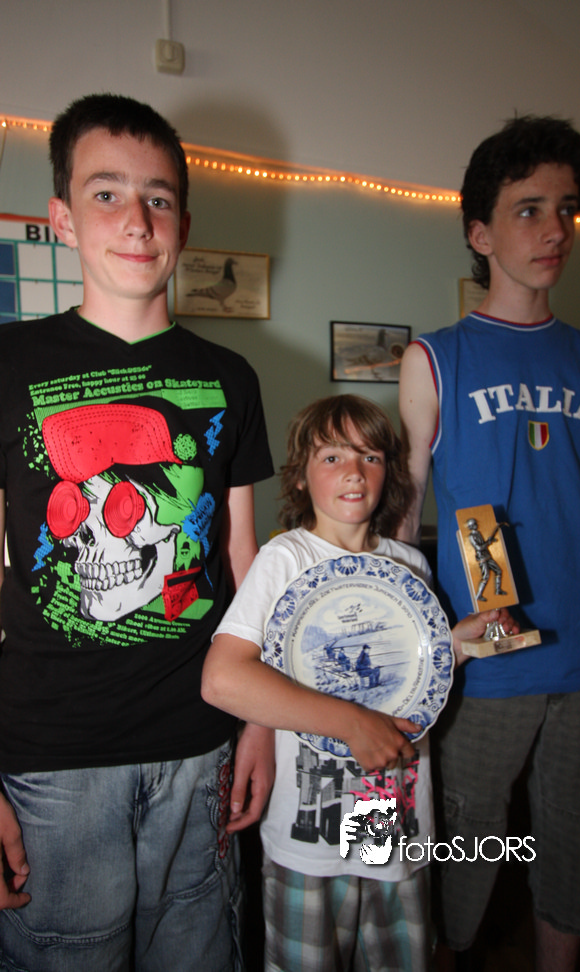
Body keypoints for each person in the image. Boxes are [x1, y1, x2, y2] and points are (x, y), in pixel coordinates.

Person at [0, 93, 275, 970]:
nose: (136, 220)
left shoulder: (231, 378)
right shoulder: (8, 366)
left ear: (183, 224)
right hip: (51, 765)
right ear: (62, 218)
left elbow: (242, 561)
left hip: (200, 745)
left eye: (158, 198)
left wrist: (262, 721)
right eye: (106, 193)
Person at [398, 115, 580, 972]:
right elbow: (406, 513)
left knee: (577, 836)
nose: (555, 230)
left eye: (566, 209)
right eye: (529, 210)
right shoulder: (436, 357)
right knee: (464, 834)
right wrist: (406, 652)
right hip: (489, 646)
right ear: (481, 233)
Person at [201, 394, 516, 972]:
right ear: (301, 477)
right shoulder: (284, 558)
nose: (354, 471)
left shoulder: (410, 564)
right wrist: (351, 722)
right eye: (333, 457)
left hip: (396, 819)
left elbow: (415, 675)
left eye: (370, 457)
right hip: (310, 834)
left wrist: (461, 643)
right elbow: (223, 680)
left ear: (388, 472)